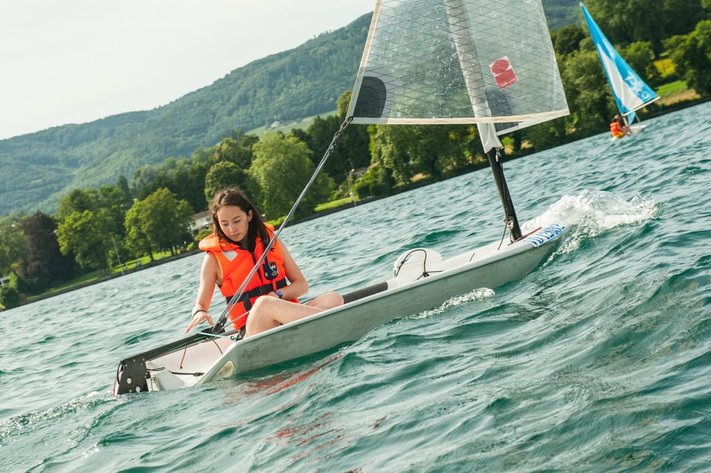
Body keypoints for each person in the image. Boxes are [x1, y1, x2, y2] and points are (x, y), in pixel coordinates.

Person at [186, 188, 343, 338]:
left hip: (285, 319)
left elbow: (302, 286)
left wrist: (279, 294)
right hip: (252, 330)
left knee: (333, 298)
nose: (232, 229)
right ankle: (332, 322)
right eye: (224, 224)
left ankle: (321, 322)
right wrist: (199, 312)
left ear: (249, 215)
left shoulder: (271, 242)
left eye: (236, 220)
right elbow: (200, 304)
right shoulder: (213, 259)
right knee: (264, 303)